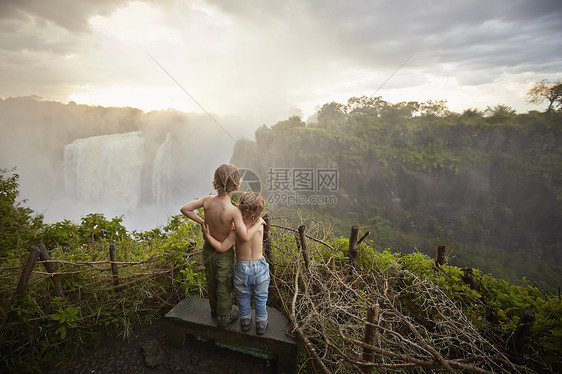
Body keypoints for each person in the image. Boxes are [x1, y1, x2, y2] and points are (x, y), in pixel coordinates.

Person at [180, 163, 258, 328]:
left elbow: (185, 209)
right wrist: (256, 223)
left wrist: (202, 221)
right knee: (223, 283)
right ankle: (224, 317)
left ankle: (214, 310)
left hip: (208, 249)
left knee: (212, 280)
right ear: (236, 186)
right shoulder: (233, 211)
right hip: (223, 254)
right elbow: (241, 235)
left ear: (214, 184)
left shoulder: (207, 201)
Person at [202, 192, 270, 335]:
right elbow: (252, 227)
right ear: (260, 210)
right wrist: (258, 221)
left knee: (243, 296)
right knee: (260, 296)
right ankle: (261, 322)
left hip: (242, 267)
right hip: (260, 267)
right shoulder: (260, 225)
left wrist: (207, 236)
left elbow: (222, 247)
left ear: (240, 209)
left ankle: (245, 321)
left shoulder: (235, 230)